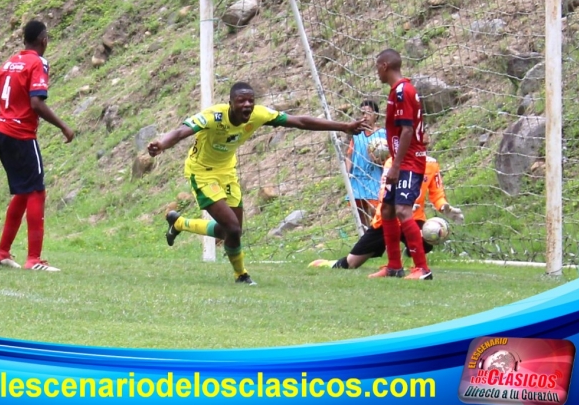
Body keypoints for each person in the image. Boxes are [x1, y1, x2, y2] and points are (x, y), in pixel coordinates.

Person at [147, 81, 365, 286]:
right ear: (230, 102)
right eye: (242, 100)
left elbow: (299, 121)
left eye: (251, 100)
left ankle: (180, 223)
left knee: (232, 232)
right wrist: (162, 144)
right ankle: (241, 275)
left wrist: (343, 125)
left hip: (227, 172)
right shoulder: (214, 116)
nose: (248, 105)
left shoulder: (259, 114)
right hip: (202, 173)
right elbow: (180, 132)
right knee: (232, 228)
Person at [0, 20, 74, 272]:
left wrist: (2, 123)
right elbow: (36, 103)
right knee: (36, 192)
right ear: (43, 39)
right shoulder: (38, 62)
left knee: (23, 192)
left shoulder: (9, 62)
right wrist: (63, 126)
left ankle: (1, 252)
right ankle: (34, 259)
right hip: (20, 135)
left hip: (0, 132)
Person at [310, 149, 464, 271]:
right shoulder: (392, 164)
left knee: (429, 237)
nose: (423, 138)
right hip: (386, 221)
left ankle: (412, 260)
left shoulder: (431, 165)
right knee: (351, 264)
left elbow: (437, 194)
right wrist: (402, 204)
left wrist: (444, 206)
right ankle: (327, 264)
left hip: (413, 219)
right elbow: (384, 194)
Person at [373, 48, 431, 280]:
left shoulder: (402, 92)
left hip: (408, 162)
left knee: (403, 210)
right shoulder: (396, 91)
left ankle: (422, 268)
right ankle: (394, 266)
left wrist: (396, 165)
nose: (377, 71)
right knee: (387, 209)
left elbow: (407, 131)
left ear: (385, 66)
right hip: (400, 160)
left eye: (377, 67)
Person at [344, 100, 386, 228]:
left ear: (376, 115)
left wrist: (381, 160)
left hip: (374, 176)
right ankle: (366, 239)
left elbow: (389, 156)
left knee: (376, 210)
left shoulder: (383, 134)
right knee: (360, 213)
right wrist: (347, 174)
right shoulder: (357, 134)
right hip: (357, 177)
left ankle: (379, 236)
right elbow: (350, 155)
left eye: (368, 113)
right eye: (362, 113)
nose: (365, 116)